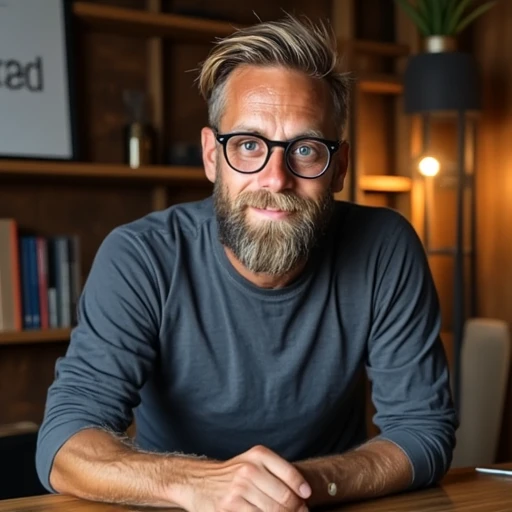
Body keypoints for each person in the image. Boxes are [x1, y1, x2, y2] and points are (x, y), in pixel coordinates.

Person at [35, 14, 457, 512]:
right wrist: (201, 485)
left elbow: (424, 430)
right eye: (249, 145)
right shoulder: (140, 257)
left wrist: (294, 488)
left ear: (339, 166)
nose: (275, 178)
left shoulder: (386, 246)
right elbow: (64, 446)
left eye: (304, 149)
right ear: (212, 156)